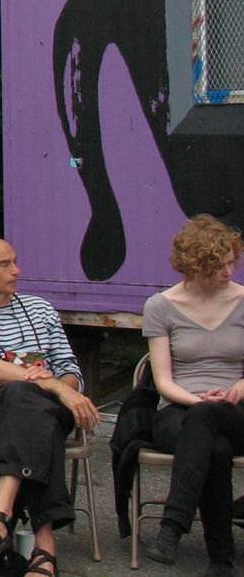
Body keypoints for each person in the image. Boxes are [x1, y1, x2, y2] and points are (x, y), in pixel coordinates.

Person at [0, 237, 101, 577]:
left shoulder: (41, 310)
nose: (17, 270)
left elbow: (69, 368)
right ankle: (45, 547)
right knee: (20, 396)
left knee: (26, 402)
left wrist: (63, 387)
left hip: (50, 410)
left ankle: (1, 510)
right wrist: (53, 385)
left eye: (15, 261)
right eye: (5, 264)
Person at [141, 215, 244, 577]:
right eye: (218, 265)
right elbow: (163, 381)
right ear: (195, 265)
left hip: (237, 410)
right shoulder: (161, 305)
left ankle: (173, 527)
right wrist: (200, 401)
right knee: (212, 444)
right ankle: (221, 561)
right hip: (180, 409)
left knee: (210, 423)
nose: (228, 271)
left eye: (232, 261)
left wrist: (239, 387)